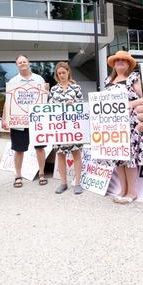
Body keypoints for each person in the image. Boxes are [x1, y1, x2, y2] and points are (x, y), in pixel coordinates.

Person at [104, 51, 143, 204]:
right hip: (113, 125)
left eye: (123, 60)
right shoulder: (108, 80)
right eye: (117, 60)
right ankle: (122, 190)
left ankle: (132, 192)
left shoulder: (133, 78)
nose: (120, 62)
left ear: (129, 64)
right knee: (119, 157)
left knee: (129, 158)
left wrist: (131, 104)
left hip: (130, 124)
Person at [4, 55, 48, 188]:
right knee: (18, 150)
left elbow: (44, 98)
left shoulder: (39, 79)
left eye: (24, 61)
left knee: (40, 148)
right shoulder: (13, 81)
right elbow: (8, 101)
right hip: (19, 122)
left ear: (28, 63)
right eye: (19, 62)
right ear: (17, 65)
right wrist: (6, 119)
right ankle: (18, 175)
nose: (22, 64)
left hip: (36, 121)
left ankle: (41, 173)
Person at [48, 62, 84, 195]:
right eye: (59, 73)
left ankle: (77, 183)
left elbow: (81, 105)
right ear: (57, 75)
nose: (62, 75)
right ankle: (63, 183)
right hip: (58, 127)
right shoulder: (53, 89)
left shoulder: (76, 88)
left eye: (64, 72)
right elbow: (49, 106)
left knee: (76, 154)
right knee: (60, 154)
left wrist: (73, 104)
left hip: (73, 126)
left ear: (68, 72)